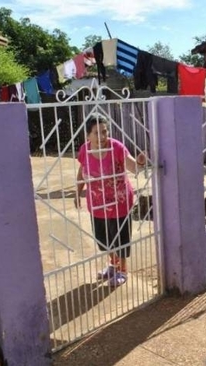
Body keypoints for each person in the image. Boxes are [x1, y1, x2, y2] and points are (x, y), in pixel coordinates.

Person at [74, 113, 146, 287]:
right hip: (97, 203)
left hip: (119, 202)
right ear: (88, 135)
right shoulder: (85, 149)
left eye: (104, 132)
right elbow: (82, 171)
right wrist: (78, 192)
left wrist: (140, 162)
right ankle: (113, 266)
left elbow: (133, 167)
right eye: (97, 133)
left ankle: (122, 271)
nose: (102, 137)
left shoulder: (117, 147)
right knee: (103, 239)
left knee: (120, 238)